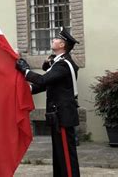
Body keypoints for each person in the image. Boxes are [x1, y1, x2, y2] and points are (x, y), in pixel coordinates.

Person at [16, 27, 80, 177]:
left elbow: (43, 79)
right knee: (59, 155)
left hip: (63, 117)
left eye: (57, 39)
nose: (53, 40)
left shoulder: (64, 64)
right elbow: (46, 85)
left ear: (63, 45)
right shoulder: (58, 63)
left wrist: (25, 71)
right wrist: (28, 89)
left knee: (66, 156)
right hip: (58, 116)